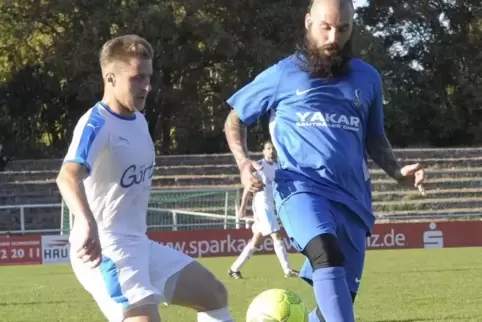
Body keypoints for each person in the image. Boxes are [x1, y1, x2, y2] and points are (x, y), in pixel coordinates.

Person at [223, 0, 426, 321]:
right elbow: (235, 119)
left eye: (342, 29)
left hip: (354, 201)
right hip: (301, 191)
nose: (333, 37)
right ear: (308, 23)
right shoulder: (283, 74)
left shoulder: (368, 78)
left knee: (338, 302)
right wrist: (243, 162)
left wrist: (397, 172)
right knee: (326, 254)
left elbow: (374, 137)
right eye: (326, 27)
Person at [56, 34, 234, 322]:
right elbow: (67, 176)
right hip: (106, 249)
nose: (147, 86)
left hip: (138, 243)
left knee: (213, 294)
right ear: (110, 77)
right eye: (137, 78)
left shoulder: (139, 120)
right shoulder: (96, 124)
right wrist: (87, 222)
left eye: (149, 77)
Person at [228, 140, 299, 279]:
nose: (271, 151)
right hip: (261, 205)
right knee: (276, 234)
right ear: (263, 151)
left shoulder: (279, 166)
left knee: (257, 240)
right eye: (268, 148)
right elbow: (249, 186)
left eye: (273, 148)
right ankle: (287, 270)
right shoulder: (259, 166)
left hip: (272, 206)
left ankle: (234, 269)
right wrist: (243, 206)